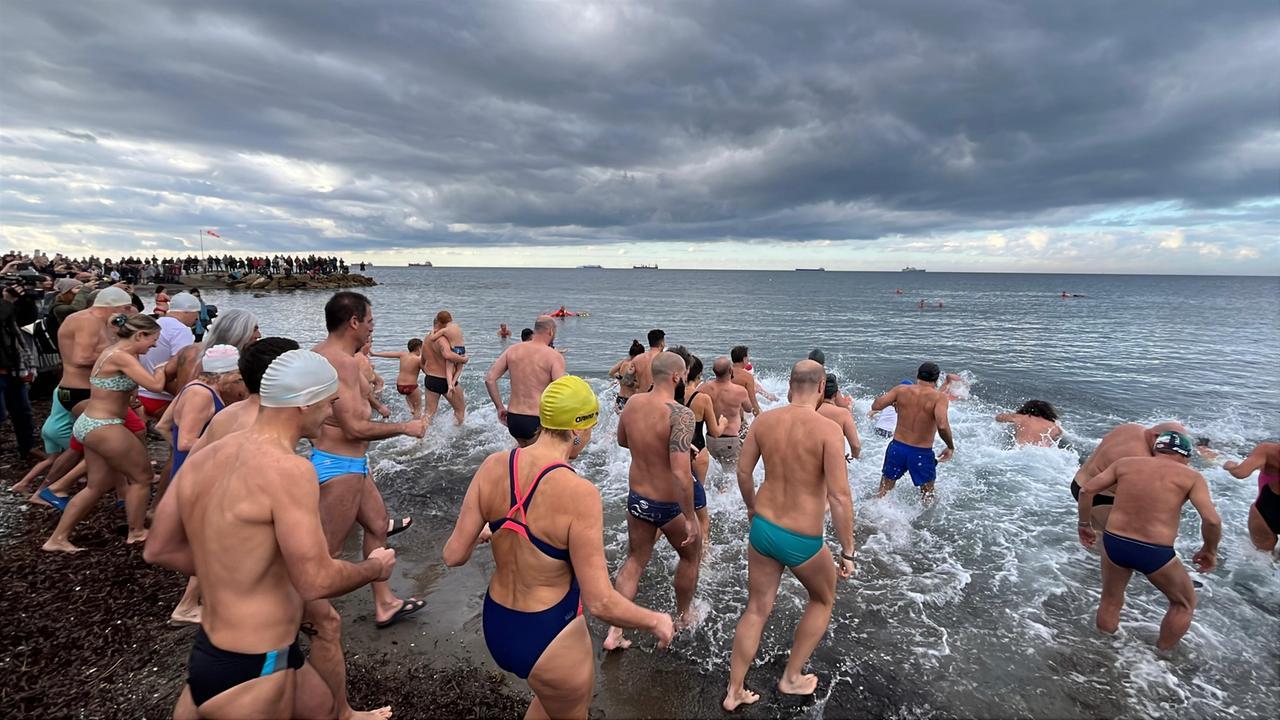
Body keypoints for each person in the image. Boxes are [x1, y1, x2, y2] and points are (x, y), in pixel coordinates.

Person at [144, 349, 397, 719]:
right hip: (254, 668)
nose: (331, 414)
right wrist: (375, 568)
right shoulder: (290, 470)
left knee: (322, 706)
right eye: (328, 404)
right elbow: (315, 580)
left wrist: (241, 572)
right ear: (301, 405)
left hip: (216, 653)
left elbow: (159, 548)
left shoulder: (208, 453)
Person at [443, 376, 673, 717]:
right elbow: (600, 602)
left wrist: (497, 529)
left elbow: (453, 554)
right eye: (591, 427)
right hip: (548, 635)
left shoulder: (493, 465)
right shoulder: (579, 493)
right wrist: (655, 620)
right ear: (577, 430)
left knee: (547, 705)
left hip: (497, 624)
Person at [724, 361, 855, 711]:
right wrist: (848, 550)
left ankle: (734, 690)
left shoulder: (765, 421)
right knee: (822, 599)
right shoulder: (828, 430)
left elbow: (742, 470)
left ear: (789, 385)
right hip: (802, 538)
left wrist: (751, 508)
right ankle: (791, 676)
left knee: (756, 608)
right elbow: (840, 497)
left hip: (764, 529)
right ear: (821, 385)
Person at [1076, 431, 1220, 651]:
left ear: (1156, 450)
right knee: (1183, 603)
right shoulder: (1191, 477)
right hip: (1154, 551)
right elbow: (1211, 520)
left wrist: (1084, 525)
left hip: (1115, 543)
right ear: (1186, 456)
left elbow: (1086, 490)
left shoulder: (1125, 464)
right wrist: (1209, 550)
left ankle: (1103, 650)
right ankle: (1160, 659)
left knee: (1110, 600)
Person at [42, 314, 168, 552]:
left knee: (95, 487)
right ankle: (137, 531)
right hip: (104, 425)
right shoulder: (122, 357)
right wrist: (162, 369)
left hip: (91, 422)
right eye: (153, 339)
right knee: (142, 477)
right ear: (139, 335)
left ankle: (57, 539)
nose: (155, 345)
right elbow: (155, 386)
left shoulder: (112, 352)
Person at [603, 352, 703, 650]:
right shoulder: (680, 414)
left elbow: (623, 440)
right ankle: (683, 616)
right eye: (683, 374)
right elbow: (681, 474)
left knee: (635, 560)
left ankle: (614, 632)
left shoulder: (633, 403)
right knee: (690, 558)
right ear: (676, 377)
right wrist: (690, 517)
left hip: (638, 499)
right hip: (669, 505)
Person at [155, 343, 242, 624]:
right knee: (213, 541)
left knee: (212, 539)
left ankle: (204, 598)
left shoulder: (193, 387)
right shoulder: (200, 395)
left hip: (191, 472)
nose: (239, 380)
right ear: (223, 373)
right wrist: (234, 446)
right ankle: (187, 605)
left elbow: (162, 426)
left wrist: (181, 460)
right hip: (202, 477)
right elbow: (186, 440)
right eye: (237, 375)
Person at [1071, 422, 1188, 532]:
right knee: (1131, 542)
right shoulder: (1140, 458)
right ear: (1156, 436)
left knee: (1097, 538)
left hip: (1080, 482)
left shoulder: (1130, 428)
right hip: (1100, 497)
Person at [870, 362, 953, 501]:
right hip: (921, 453)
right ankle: (924, 523)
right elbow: (942, 426)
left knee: (883, 493)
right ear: (936, 379)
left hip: (897, 448)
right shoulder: (939, 397)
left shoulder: (901, 390)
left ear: (917, 375)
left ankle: (872, 519)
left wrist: (895, 401)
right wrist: (950, 446)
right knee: (928, 497)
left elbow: (876, 405)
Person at [485, 316, 565, 446]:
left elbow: (490, 379)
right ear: (550, 331)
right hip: (537, 419)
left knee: (522, 457)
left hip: (513, 418)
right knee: (539, 462)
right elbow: (560, 390)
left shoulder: (513, 350)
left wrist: (499, 407)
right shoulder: (554, 356)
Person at [137, 291, 201, 421]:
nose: (197, 318)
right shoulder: (181, 330)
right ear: (187, 311)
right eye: (196, 313)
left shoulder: (156, 325)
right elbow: (182, 366)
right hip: (161, 398)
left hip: (141, 393)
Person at [679, 352, 726, 512]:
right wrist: (723, 423)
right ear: (699, 375)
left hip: (675, 450)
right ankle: (699, 532)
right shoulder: (702, 398)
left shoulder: (670, 394)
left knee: (677, 497)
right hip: (697, 451)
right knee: (696, 499)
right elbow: (715, 432)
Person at [699, 357, 754, 474]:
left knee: (717, 472)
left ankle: (714, 491)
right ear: (730, 371)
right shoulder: (739, 391)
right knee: (731, 477)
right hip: (730, 441)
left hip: (711, 439)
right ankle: (724, 492)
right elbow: (749, 408)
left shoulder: (703, 388)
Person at [1223, 441, 1280, 553]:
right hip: (1267, 509)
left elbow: (1240, 473)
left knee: (1264, 560)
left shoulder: (1268, 450)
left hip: (1266, 512)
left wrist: (1230, 466)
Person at [421, 311, 468, 425]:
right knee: (460, 411)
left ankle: (420, 436)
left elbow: (422, 361)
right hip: (445, 381)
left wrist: (429, 373)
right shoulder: (442, 339)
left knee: (429, 413)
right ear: (441, 323)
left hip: (430, 379)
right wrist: (463, 360)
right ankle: (458, 438)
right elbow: (447, 354)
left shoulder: (426, 339)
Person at [370, 339, 425, 418]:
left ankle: (411, 409)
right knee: (418, 410)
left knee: (409, 396)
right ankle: (416, 426)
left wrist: (374, 354)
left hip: (400, 387)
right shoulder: (418, 360)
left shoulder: (403, 354)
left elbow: (389, 354)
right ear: (419, 348)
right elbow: (427, 371)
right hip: (411, 386)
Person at [817, 373, 862, 460]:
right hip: (834, 459)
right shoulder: (843, 414)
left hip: (811, 458)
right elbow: (855, 446)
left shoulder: (811, 410)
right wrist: (854, 458)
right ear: (835, 394)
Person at [730, 345, 776, 416]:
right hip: (740, 413)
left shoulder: (725, 373)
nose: (748, 359)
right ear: (744, 359)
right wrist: (760, 418)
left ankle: (774, 399)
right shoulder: (747, 377)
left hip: (725, 411)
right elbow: (753, 402)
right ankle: (777, 400)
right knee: (757, 388)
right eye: (748, 357)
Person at [995, 400, 1063, 447]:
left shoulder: (1020, 417)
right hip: (1044, 455)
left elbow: (998, 418)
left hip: (1023, 452)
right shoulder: (1055, 427)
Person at [608, 339, 644, 411]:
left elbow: (611, 373)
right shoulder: (636, 366)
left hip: (620, 398)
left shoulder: (623, 363)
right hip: (631, 399)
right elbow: (640, 385)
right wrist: (632, 384)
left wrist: (621, 378)